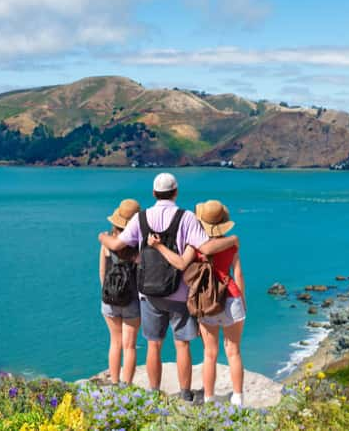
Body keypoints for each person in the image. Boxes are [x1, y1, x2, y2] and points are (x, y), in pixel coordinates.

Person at [98, 173, 238, 402]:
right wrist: (233, 241)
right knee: (182, 344)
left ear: (153, 193)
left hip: (148, 292)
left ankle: (154, 391)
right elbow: (207, 247)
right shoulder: (187, 217)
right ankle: (185, 393)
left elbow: (116, 244)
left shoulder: (141, 218)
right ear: (176, 192)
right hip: (179, 291)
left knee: (154, 344)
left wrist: (102, 237)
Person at [148, 200, 245, 406]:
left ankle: (209, 398)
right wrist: (242, 301)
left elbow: (183, 267)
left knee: (209, 353)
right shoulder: (231, 245)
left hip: (205, 302)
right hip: (231, 297)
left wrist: (159, 246)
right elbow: (238, 275)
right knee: (234, 351)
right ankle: (238, 398)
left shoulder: (195, 247)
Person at [99, 199, 141, 385]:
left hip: (110, 299)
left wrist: (109, 292)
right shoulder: (138, 244)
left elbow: (102, 272)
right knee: (129, 345)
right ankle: (127, 385)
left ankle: (114, 382)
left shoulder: (107, 242)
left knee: (115, 343)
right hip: (132, 299)